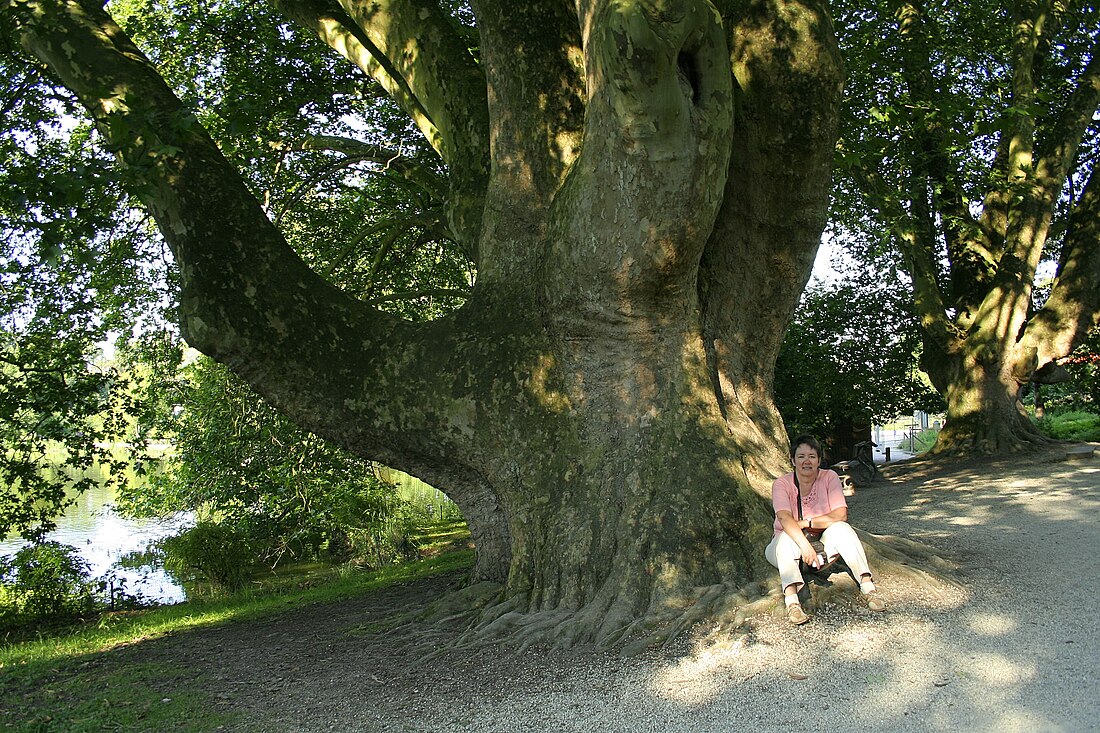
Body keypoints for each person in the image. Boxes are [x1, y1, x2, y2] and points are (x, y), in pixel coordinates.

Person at [765, 434, 886, 624]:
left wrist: (807, 522)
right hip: (786, 549)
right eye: (801, 456)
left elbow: (840, 514)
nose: (807, 461)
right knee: (786, 539)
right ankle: (792, 603)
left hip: (821, 547)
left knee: (842, 529)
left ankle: (868, 588)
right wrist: (805, 546)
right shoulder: (782, 484)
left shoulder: (829, 477)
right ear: (793, 460)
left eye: (812, 456)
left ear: (819, 460)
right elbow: (785, 519)